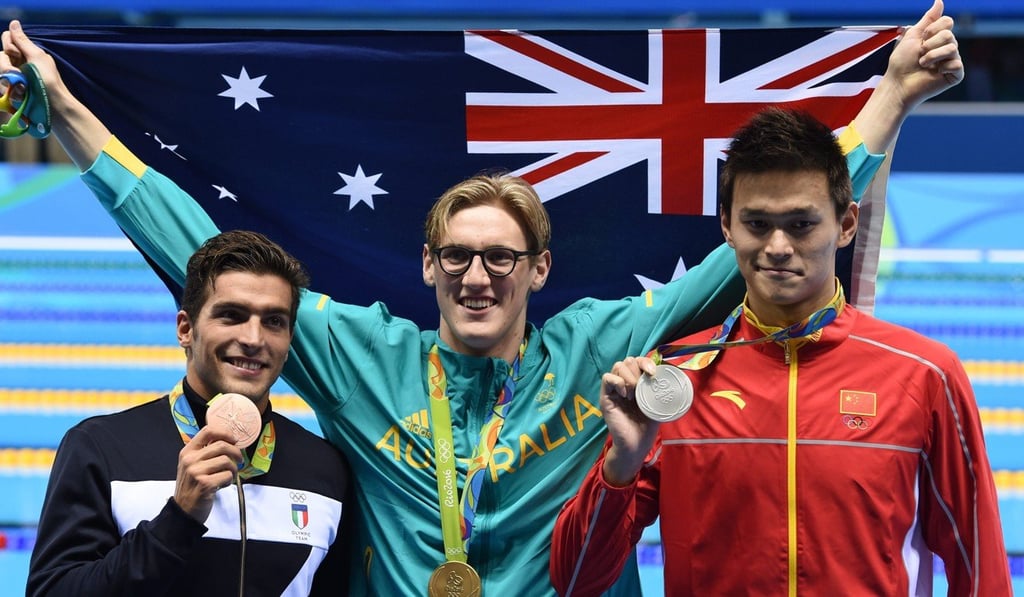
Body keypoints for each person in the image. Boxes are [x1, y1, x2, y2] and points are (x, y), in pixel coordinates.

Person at [3, 2, 964, 594]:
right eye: (457, 256)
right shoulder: (363, 356)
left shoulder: (603, 344)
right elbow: (199, 250)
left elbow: (753, 244)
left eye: (503, 259)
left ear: (540, 272)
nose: (477, 276)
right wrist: (69, 113)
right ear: (426, 267)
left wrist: (887, 101)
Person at [549, 107, 1011, 596]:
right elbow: (576, 579)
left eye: (800, 224)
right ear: (727, 226)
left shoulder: (924, 375)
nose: (777, 246)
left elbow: (978, 567)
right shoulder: (673, 381)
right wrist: (621, 464)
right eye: (757, 223)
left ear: (847, 224)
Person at [27, 230, 352, 597]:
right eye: (231, 315)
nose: (254, 338)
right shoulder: (101, 448)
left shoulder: (324, 468)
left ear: (289, 339)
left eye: (274, 321)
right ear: (186, 329)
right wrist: (178, 518)